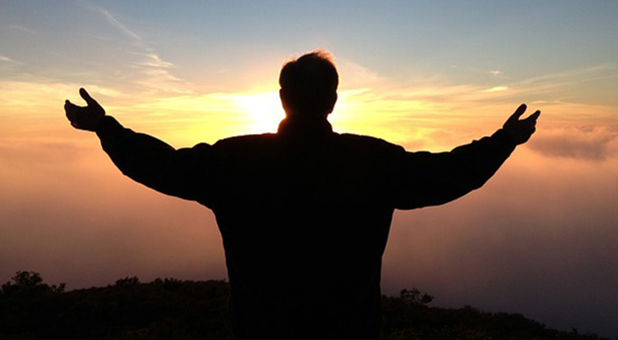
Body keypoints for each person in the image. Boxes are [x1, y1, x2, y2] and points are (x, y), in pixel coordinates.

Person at [64, 51, 539, 340]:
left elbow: (160, 165)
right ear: (333, 100)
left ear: (281, 97)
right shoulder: (374, 161)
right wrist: (503, 141)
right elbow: (451, 174)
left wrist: (105, 127)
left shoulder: (232, 162)